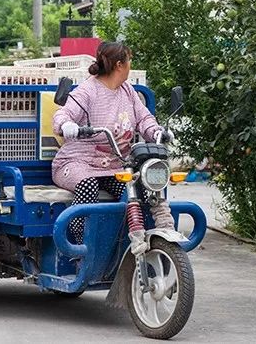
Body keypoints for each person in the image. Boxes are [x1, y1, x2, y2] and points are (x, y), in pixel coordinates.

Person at [52, 42, 174, 244]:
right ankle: (79, 243)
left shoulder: (127, 91)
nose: (130, 65)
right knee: (88, 185)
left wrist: (157, 131)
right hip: (77, 163)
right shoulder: (87, 91)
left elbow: (144, 118)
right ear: (119, 65)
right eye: (129, 60)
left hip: (114, 166)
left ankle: (138, 240)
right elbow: (62, 114)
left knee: (138, 188)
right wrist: (66, 125)